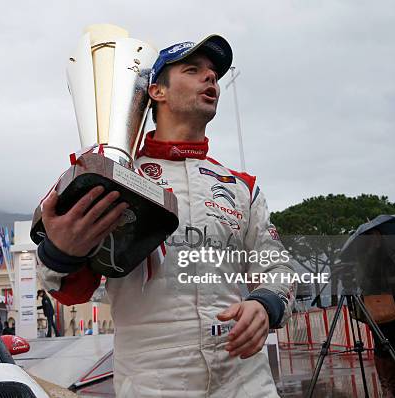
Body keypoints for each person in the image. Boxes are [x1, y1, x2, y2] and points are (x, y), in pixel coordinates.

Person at [37, 34, 296, 397]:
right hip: (154, 382)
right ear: (156, 91)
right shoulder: (110, 172)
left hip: (246, 381)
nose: (211, 79)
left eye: (214, 74)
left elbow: (278, 267)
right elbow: (70, 291)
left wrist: (265, 304)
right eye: (193, 70)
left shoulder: (241, 187)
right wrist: (60, 252)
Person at [357, 230, 395, 398]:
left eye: (380, 236)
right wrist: (390, 281)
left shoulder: (391, 255)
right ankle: (386, 387)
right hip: (377, 305)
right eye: (374, 236)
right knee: (381, 345)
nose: (378, 239)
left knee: (393, 344)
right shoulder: (364, 258)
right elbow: (364, 282)